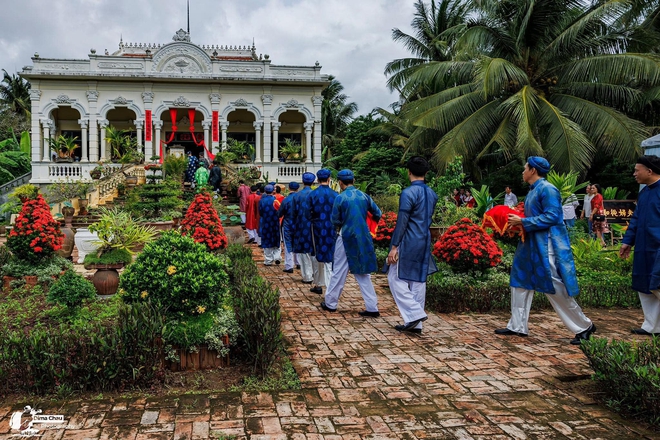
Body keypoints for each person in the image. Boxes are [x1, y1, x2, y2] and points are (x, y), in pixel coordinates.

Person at [496, 156, 596, 345]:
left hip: (546, 243)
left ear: (533, 170)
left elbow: (553, 217)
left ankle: (584, 326)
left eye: (525, 168)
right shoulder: (533, 190)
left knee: (553, 285)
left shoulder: (548, 189)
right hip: (530, 242)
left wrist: (523, 222)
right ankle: (517, 325)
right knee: (520, 281)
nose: (523, 171)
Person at [386, 157, 438, 333]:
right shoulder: (432, 194)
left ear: (408, 172)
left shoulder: (408, 193)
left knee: (394, 277)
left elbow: (402, 222)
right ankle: (416, 324)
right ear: (426, 173)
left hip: (409, 240)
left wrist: (394, 246)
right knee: (418, 280)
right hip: (424, 239)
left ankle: (415, 314)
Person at [320, 169, 382, 316]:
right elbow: (378, 213)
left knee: (339, 270)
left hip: (346, 236)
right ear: (354, 181)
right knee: (363, 272)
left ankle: (330, 303)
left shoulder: (340, 198)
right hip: (363, 236)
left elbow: (335, 220)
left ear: (340, 183)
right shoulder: (364, 196)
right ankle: (372, 307)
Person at [619, 156, 660, 336]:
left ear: (649, 171)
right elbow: (635, 219)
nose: (634, 174)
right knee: (645, 286)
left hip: (658, 247)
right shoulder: (644, 193)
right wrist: (628, 241)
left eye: (637, 170)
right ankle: (652, 326)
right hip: (644, 246)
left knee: (657, 284)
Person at [305, 169, 338, 295]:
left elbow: (307, 214)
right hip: (332, 227)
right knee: (330, 255)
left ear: (317, 180)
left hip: (317, 227)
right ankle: (329, 288)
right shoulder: (335, 195)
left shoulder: (312, 195)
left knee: (317, 254)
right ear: (329, 178)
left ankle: (319, 284)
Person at [292, 172, 316, 284]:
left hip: (301, 226)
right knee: (314, 251)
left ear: (302, 181)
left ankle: (307, 276)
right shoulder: (315, 194)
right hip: (314, 226)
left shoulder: (297, 196)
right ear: (313, 182)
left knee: (303, 252)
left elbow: (293, 213)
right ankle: (316, 276)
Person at [258, 184, 282, 265]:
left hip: (266, 222)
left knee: (267, 239)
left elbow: (260, 212)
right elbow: (279, 211)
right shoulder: (275, 200)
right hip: (275, 222)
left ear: (265, 191)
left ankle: (268, 260)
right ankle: (277, 256)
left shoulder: (262, 201)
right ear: (273, 191)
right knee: (276, 238)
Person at [279, 182, 299, 273]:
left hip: (287, 223)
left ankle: (289, 265)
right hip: (298, 224)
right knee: (297, 242)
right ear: (298, 189)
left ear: (289, 188)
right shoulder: (300, 199)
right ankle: (298, 262)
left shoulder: (286, 200)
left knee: (288, 244)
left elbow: (280, 213)